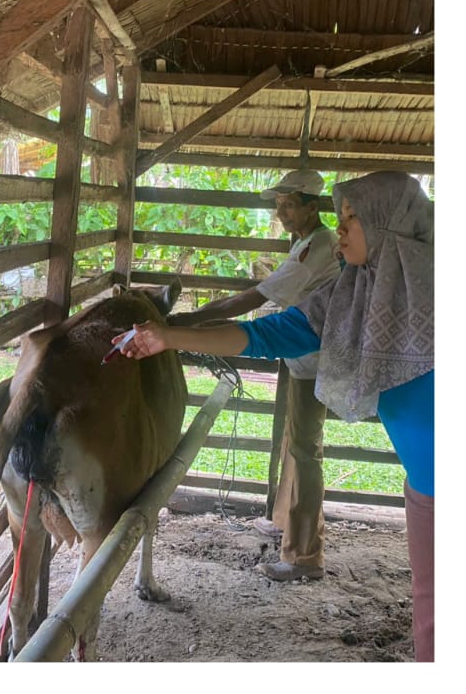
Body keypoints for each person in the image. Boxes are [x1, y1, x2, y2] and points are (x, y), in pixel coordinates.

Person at [115, 171, 434, 661]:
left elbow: (256, 302)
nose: (341, 226)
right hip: (426, 493)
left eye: (354, 217)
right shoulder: (353, 292)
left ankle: (304, 552)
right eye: (341, 215)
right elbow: (266, 334)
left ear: (389, 226)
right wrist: (167, 338)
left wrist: (177, 325)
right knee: (431, 619)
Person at [167, 167, 339, 580]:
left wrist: (194, 319)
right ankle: (286, 523)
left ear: (312, 207)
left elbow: (255, 297)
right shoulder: (306, 241)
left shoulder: (316, 246)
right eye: (279, 204)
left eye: (289, 205)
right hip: (303, 354)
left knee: (304, 449)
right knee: (296, 442)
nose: (281, 212)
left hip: (314, 358)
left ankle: (303, 556)